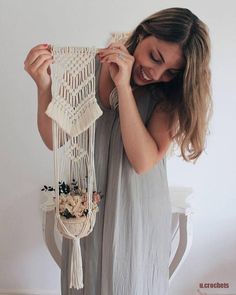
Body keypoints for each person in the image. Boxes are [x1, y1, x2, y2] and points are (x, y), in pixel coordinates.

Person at [24, 7, 212, 295]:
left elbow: (142, 161)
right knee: (85, 282)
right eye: (155, 57)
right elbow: (53, 139)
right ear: (144, 32)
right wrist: (44, 86)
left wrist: (124, 87)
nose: (156, 73)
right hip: (87, 206)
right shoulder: (90, 67)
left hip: (136, 210)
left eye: (171, 71)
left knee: (130, 283)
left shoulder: (168, 95)